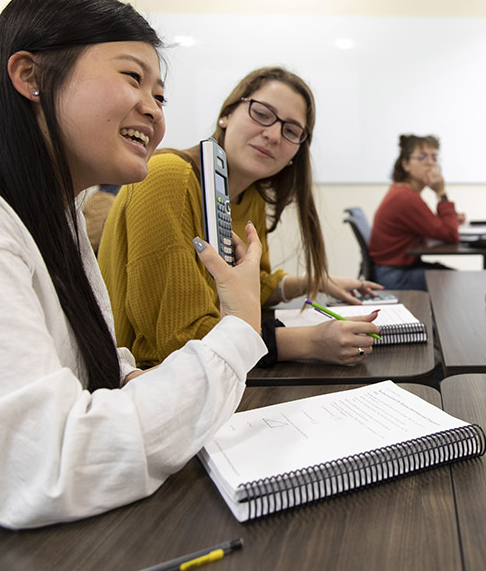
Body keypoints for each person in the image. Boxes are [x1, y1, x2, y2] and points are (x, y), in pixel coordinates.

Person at [0, 0, 265, 544]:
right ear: (30, 76)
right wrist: (239, 329)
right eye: (133, 79)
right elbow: (44, 468)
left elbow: (83, 359)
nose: (154, 110)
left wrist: (131, 378)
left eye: (160, 95)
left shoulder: (53, 212)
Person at [99, 67, 382, 368]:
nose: (273, 134)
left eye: (291, 131)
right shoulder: (168, 177)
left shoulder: (251, 195)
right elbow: (178, 340)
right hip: (146, 383)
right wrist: (308, 341)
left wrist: (315, 282)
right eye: (261, 113)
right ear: (227, 114)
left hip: (213, 378)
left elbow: (246, 287)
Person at [369, 134, 465, 291]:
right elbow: (450, 234)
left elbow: (435, 227)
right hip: (393, 275)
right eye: (422, 157)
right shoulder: (405, 197)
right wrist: (441, 192)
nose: (430, 163)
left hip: (393, 269)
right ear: (405, 164)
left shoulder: (403, 192)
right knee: (457, 281)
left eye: (434, 157)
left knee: (454, 277)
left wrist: (451, 218)